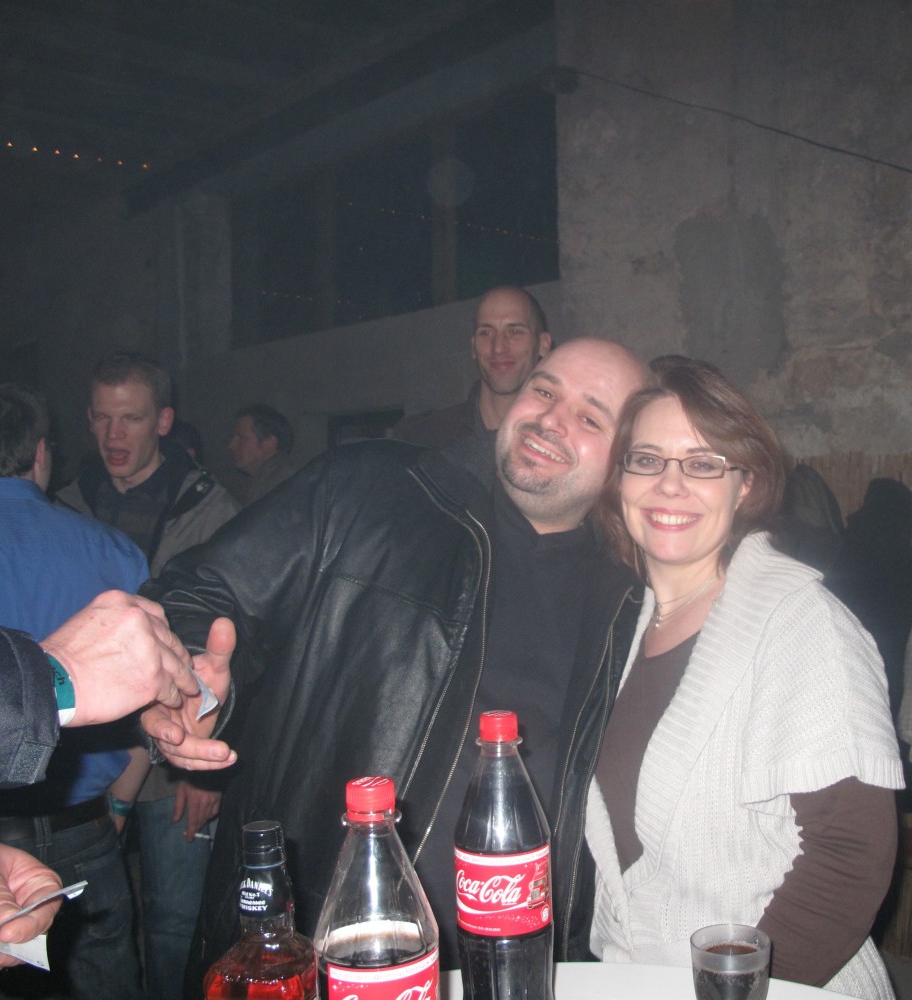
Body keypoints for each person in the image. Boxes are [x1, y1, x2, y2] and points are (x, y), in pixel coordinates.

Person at [137, 338, 648, 986]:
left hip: (520, 972)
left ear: (625, 463)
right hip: (316, 959)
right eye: (544, 390)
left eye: (590, 417)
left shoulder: (629, 600)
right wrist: (190, 682)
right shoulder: (371, 488)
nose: (551, 419)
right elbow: (200, 593)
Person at [585, 356, 904, 998]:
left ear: (746, 486)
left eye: (703, 463)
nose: (670, 484)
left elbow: (850, 854)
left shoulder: (801, 622)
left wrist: (740, 989)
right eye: (646, 459)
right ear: (619, 481)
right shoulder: (624, 625)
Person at [0, 383, 153, 998]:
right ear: (39, 453)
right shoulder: (112, 548)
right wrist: (120, 809)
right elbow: (151, 705)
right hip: (80, 827)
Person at [55, 352, 240, 1000]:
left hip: (171, 760)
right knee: (85, 930)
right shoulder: (65, 505)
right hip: (79, 760)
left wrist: (202, 773)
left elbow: (232, 648)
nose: (113, 435)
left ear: (163, 421)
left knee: (173, 925)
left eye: (130, 419)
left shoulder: (210, 510)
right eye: (102, 418)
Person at [0, 597, 234, 977]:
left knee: (155, 935)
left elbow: (143, 683)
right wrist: (53, 674)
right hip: (52, 816)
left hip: (75, 820)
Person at [393, 285, 553, 446]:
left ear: (543, 345)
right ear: (473, 347)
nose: (498, 347)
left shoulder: (560, 437)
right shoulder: (421, 439)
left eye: (515, 332)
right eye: (486, 333)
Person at [226, 403, 299, 505]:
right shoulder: (266, 481)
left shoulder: (281, 483)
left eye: (242, 438)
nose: (231, 445)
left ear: (269, 443)